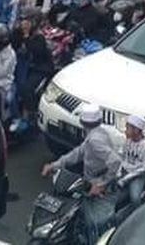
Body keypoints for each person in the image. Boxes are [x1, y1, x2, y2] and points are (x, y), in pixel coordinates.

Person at [41, 104, 121, 244]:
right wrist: (55, 165)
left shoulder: (95, 139)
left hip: (100, 186)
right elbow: (77, 154)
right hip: (89, 182)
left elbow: (115, 161)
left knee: (94, 224)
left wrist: (102, 184)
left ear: (83, 122)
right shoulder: (96, 134)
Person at [118, 114, 145, 208]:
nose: (125, 131)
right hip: (126, 172)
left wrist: (126, 179)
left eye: (128, 128)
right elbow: (121, 157)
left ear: (136, 130)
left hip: (138, 175)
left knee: (135, 198)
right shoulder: (128, 141)